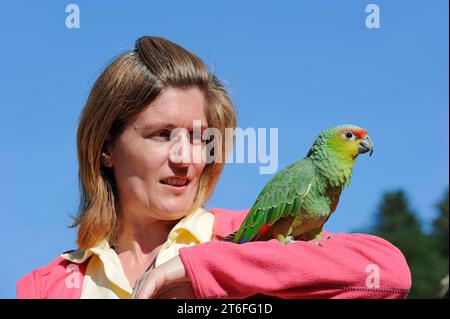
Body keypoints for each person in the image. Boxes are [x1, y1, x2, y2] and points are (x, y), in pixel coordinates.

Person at [16, 36, 411, 299]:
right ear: (105, 148)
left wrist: (199, 268)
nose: (185, 157)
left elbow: (389, 275)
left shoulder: (239, 238)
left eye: (200, 138)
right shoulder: (46, 286)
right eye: (161, 134)